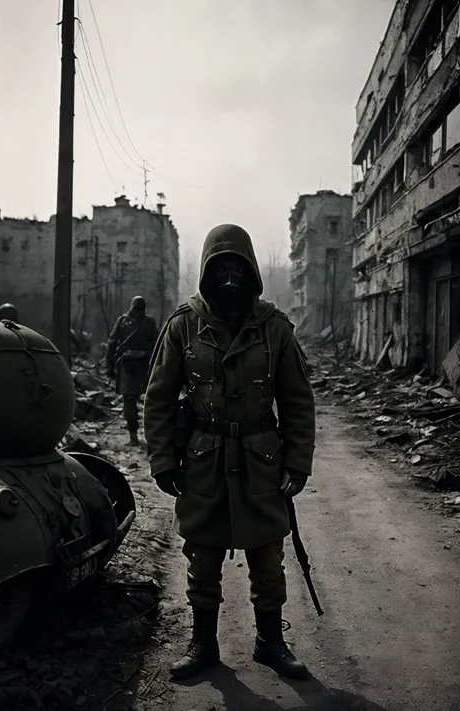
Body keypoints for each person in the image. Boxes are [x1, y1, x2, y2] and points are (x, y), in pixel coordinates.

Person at [144, 224, 316, 681]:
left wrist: (297, 462)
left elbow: (298, 401)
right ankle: (203, 644)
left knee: (267, 559)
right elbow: (158, 399)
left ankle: (270, 642)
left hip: (262, 460)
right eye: (220, 269)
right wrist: (163, 460)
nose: (229, 279)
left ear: (253, 272)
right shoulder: (183, 326)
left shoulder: (275, 329)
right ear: (205, 273)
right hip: (203, 460)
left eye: (238, 268)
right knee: (202, 557)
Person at [106, 296, 159, 445]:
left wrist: (109, 367)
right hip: (144, 367)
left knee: (129, 401)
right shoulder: (149, 322)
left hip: (127, 367)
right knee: (151, 401)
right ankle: (152, 436)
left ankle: (133, 437)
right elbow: (158, 343)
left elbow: (111, 343)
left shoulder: (122, 322)